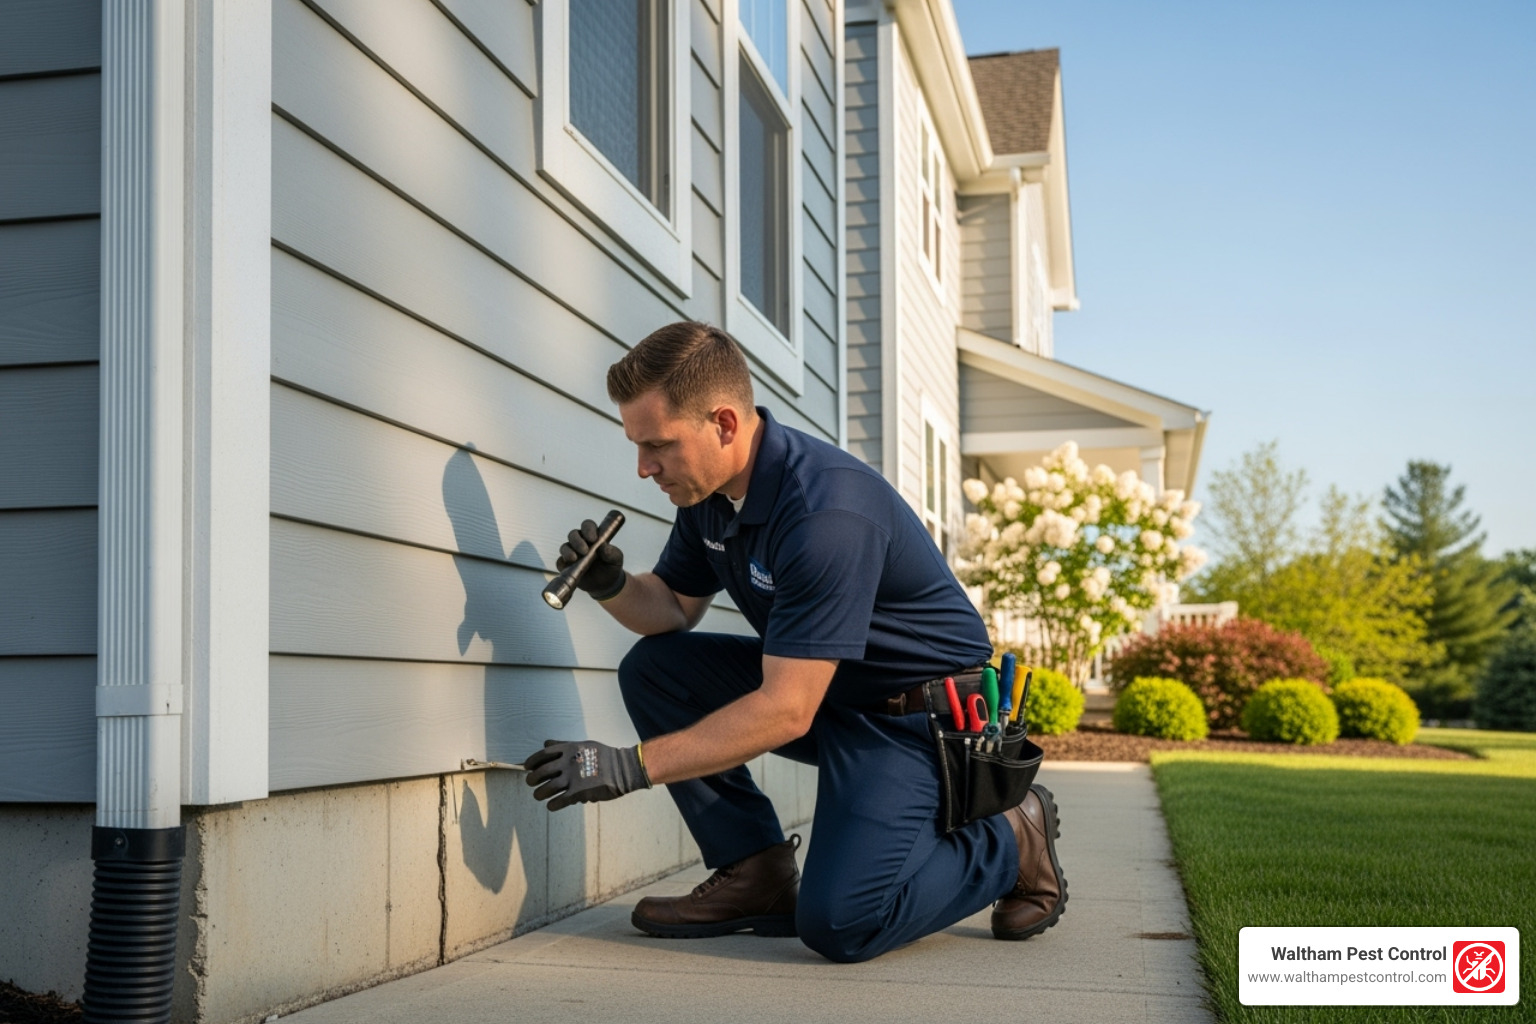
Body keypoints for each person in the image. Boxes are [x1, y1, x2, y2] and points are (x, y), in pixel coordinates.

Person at [522, 321, 1066, 963]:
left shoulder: (823, 513)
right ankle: (755, 873)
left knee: (843, 923)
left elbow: (786, 711)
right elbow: (670, 609)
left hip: (919, 723)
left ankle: (1011, 834)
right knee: (656, 669)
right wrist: (613, 584)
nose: (644, 469)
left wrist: (629, 766)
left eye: (658, 446)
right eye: (638, 445)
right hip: (833, 693)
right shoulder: (710, 497)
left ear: (723, 423)